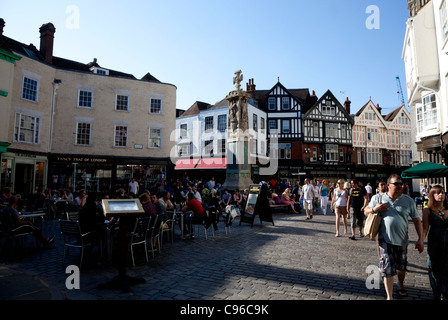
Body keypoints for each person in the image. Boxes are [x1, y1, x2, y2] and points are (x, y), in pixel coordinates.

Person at [364, 174, 424, 300]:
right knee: (387, 267)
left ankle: (401, 284)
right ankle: (389, 296)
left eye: (401, 184)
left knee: (401, 268)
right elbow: (366, 210)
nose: (399, 186)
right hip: (384, 239)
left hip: (402, 240)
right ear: (388, 185)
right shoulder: (378, 198)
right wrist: (375, 209)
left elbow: (417, 220)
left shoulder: (408, 200)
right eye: (396, 184)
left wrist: (420, 239)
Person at [422, 185, 448, 300]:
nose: (441, 195)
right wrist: (420, 241)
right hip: (435, 244)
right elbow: (425, 228)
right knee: (435, 271)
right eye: (438, 193)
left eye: (442, 192)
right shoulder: (428, 209)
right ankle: (437, 294)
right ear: (432, 195)